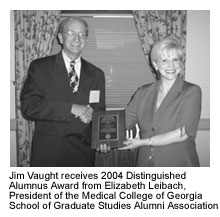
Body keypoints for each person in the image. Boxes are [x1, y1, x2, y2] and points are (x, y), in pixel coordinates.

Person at [20, 17, 106, 167]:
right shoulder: (40, 67)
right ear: (60, 37)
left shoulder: (96, 73)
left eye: (82, 34)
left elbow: (98, 110)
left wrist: (102, 137)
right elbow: (29, 107)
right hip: (48, 153)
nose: (77, 39)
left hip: (83, 154)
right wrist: (71, 108)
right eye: (71, 33)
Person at [119, 37, 202, 167]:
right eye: (165, 60)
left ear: (180, 63)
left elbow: (182, 133)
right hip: (145, 162)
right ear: (156, 65)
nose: (171, 65)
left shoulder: (191, 91)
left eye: (175, 60)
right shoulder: (143, 92)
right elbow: (123, 122)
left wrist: (144, 142)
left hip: (178, 161)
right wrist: (103, 138)